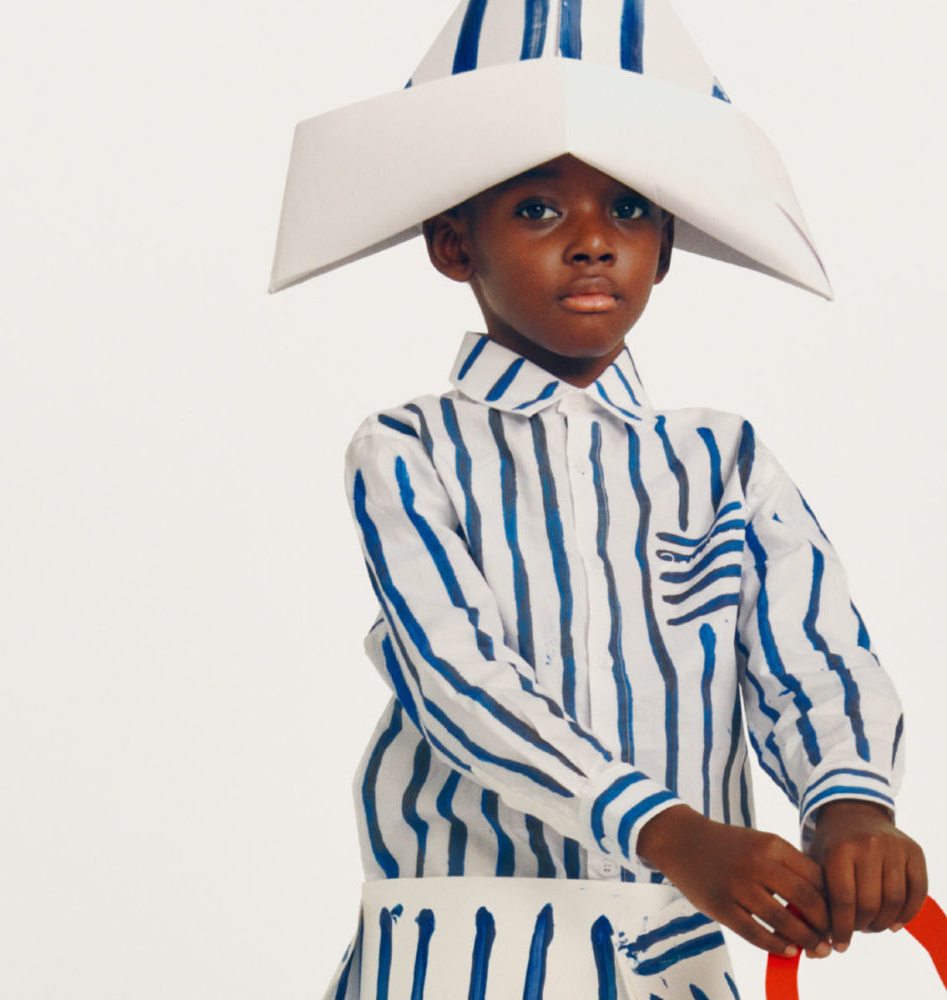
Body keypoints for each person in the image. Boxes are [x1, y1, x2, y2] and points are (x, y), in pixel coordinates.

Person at [269, 2, 926, 996]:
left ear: (666, 245)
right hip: (463, 954)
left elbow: (812, 657)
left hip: (671, 951)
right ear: (453, 244)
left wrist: (850, 808)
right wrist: (670, 831)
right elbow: (459, 681)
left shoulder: (725, 460)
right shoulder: (408, 451)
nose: (591, 242)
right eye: (538, 210)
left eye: (627, 209)